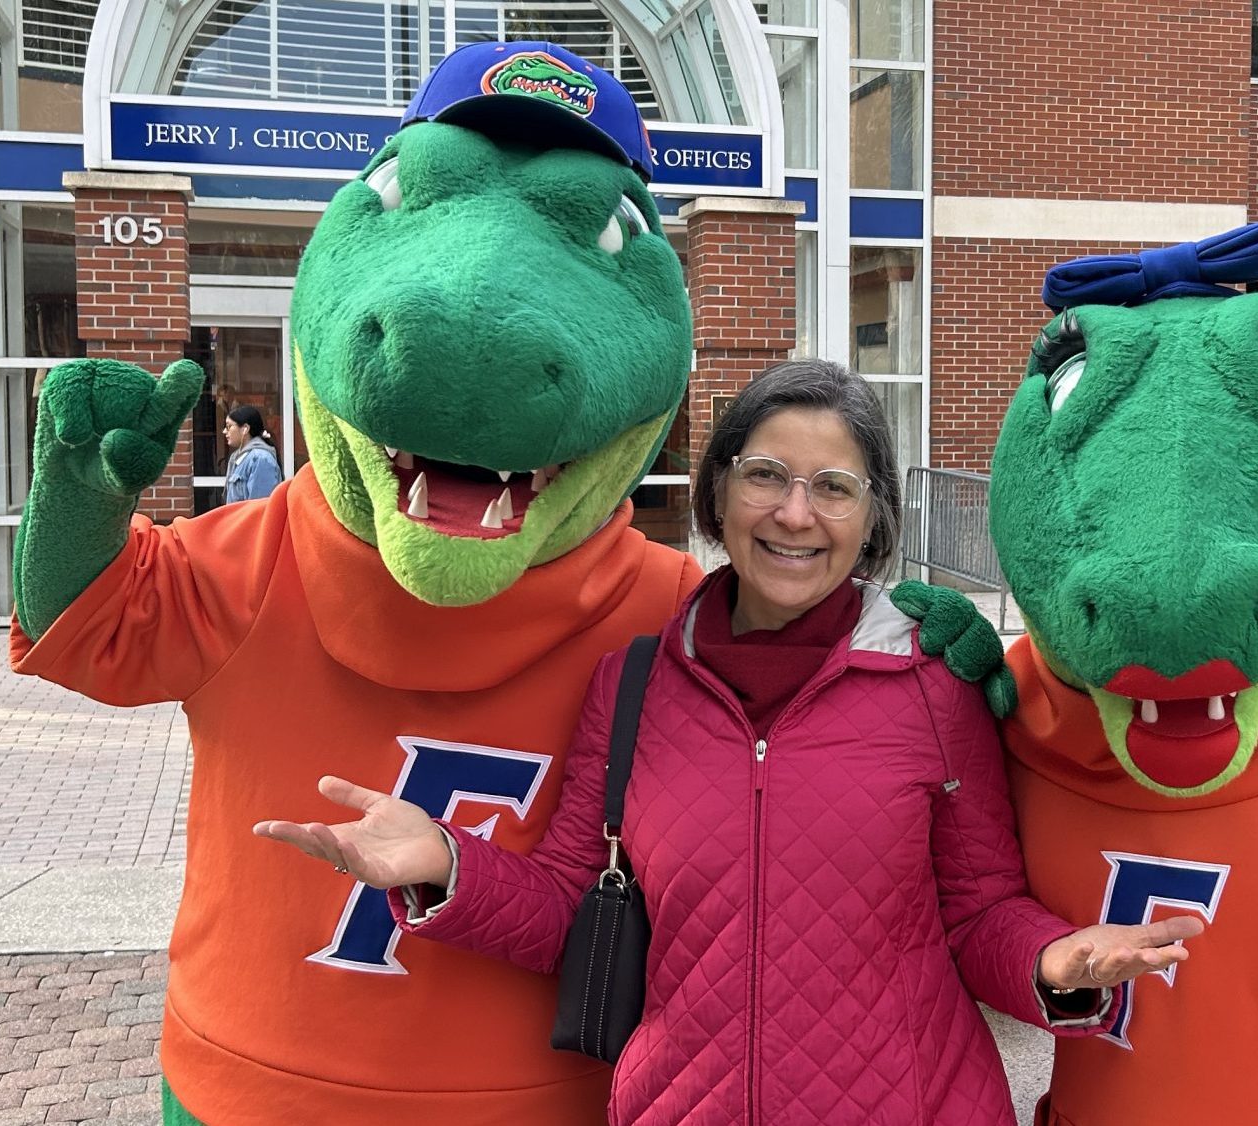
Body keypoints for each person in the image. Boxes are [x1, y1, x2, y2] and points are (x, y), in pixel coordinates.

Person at [256, 359, 1207, 1125]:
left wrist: (1054, 964)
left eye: (835, 488)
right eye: (766, 476)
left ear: (873, 518)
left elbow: (978, 911)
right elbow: (566, 908)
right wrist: (444, 865)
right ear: (717, 493)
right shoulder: (633, 684)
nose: (796, 514)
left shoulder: (932, 685)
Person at [222, 405, 280, 503]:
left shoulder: (260, 459)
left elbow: (259, 507)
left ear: (245, 429)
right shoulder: (236, 457)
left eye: (229, 426)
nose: (224, 431)